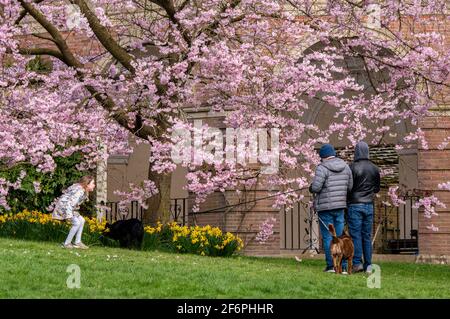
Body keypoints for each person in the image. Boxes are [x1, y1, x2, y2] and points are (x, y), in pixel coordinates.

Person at [309, 144, 353, 273]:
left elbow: (316, 188)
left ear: (323, 156)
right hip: (340, 206)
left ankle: (331, 266)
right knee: (340, 237)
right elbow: (350, 187)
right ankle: (343, 266)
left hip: (325, 207)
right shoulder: (346, 167)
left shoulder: (322, 168)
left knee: (329, 237)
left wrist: (311, 187)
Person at [348, 141, 380, 274]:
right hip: (369, 205)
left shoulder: (352, 167)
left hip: (355, 204)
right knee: (366, 235)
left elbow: (348, 187)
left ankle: (357, 263)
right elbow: (377, 189)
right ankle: (368, 264)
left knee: (355, 235)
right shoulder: (374, 168)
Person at [52, 175, 95, 249]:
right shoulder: (79, 191)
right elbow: (69, 203)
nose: (94, 185)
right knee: (76, 223)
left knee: (82, 220)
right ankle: (67, 243)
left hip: (69, 208)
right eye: (93, 183)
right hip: (65, 207)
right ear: (87, 184)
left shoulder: (81, 190)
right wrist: (69, 215)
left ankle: (77, 242)